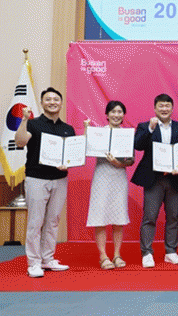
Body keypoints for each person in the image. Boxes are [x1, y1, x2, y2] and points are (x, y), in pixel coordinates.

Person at [15, 87, 74, 278]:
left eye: (56, 99)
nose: (52, 102)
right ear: (42, 103)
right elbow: (20, 142)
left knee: (53, 221)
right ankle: (33, 262)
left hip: (60, 179)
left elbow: (72, 155)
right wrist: (24, 119)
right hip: (36, 179)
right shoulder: (33, 124)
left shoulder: (68, 128)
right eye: (48, 99)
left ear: (61, 103)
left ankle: (47, 259)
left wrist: (68, 164)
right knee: (35, 222)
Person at [131, 94, 178, 268]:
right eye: (161, 106)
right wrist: (150, 129)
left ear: (172, 108)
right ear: (155, 108)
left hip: (175, 178)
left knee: (173, 217)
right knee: (150, 216)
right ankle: (147, 253)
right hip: (154, 179)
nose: (164, 109)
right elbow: (137, 145)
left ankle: (171, 252)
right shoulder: (145, 126)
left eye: (167, 106)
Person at [84, 101, 135, 270]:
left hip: (119, 177)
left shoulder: (127, 135)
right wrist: (86, 130)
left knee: (118, 217)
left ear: (123, 115)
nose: (116, 115)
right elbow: (86, 148)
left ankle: (117, 254)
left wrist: (118, 163)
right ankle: (103, 256)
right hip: (102, 175)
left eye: (120, 112)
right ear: (107, 115)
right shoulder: (99, 133)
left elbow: (131, 160)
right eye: (113, 112)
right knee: (100, 216)